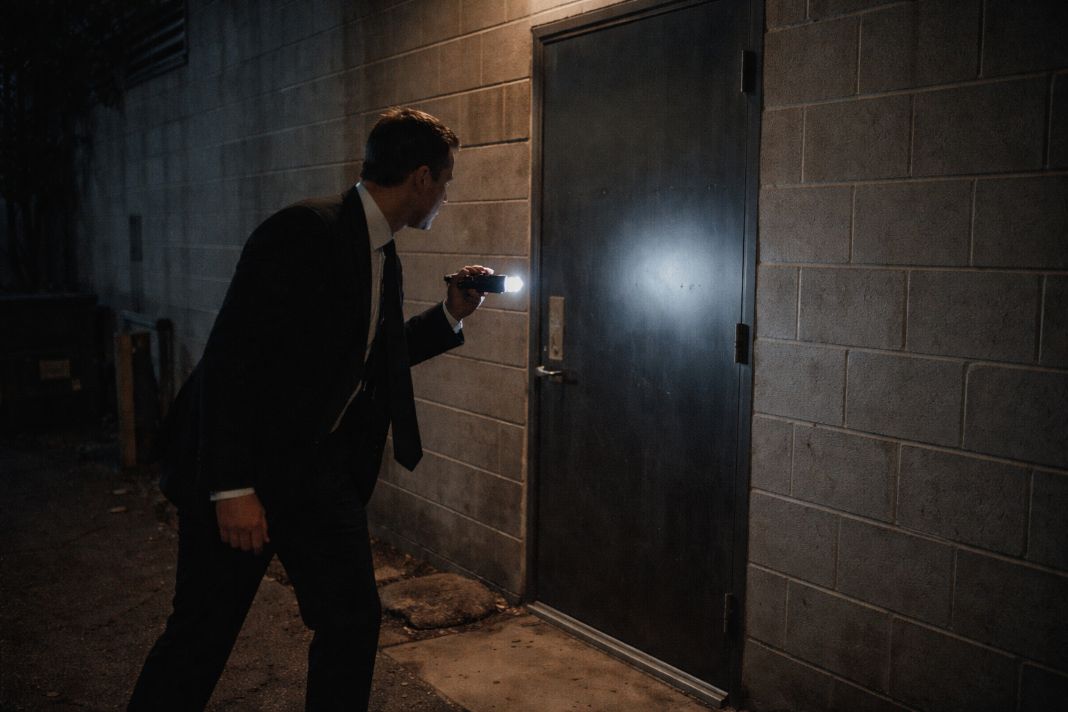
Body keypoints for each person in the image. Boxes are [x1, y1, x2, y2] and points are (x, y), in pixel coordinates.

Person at [128, 108, 489, 711]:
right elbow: (230, 360)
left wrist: (451, 313)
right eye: (445, 182)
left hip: (313, 469)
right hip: (243, 468)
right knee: (201, 636)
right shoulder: (305, 230)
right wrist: (231, 487)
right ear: (421, 178)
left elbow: (373, 355)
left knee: (352, 620)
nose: (445, 197)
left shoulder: (380, 249)